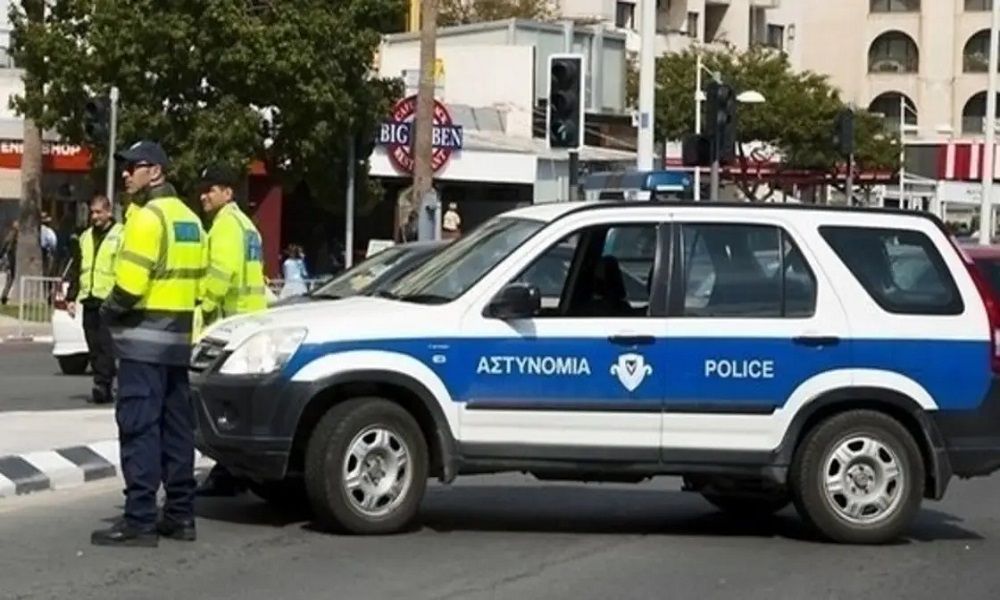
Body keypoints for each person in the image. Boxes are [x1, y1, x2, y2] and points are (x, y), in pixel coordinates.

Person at [90, 141, 206, 547]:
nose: (125, 174)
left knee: (139, 428)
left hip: (142, 346)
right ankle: (180, 516)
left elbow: (130, 286)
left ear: (154, 171)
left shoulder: (145, 218)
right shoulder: (190, 220)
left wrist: (106, 313)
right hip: (178, 343)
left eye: (132, 167)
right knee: (177, 430)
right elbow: (199, 282)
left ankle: (139, 520)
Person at [193, 164, 267, 497]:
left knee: (221, 405)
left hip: (231, 325)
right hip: (253, 321)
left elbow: (220, 276)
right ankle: (234, 473)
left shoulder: (224, 227)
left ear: (228, 192)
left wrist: (203, 304)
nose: (204, 196)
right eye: (203, 189)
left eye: (211, 189)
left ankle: (228, 474)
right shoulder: (247, 226)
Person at [65, 195, 123, 404]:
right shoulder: (85, 237)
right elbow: (77, 268)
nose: (94, 216)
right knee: (94, 346)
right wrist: (71, 297)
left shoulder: (121, 235)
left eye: (99, 212)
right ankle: (102, 382)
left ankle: (103, 385)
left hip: (109, 300)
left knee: (106, 346)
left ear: (109, 212)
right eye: (92, 212)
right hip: (89, 299)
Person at [0, 222, 17, 305]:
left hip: (9, 261)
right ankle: (4, 296)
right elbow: (8, 251)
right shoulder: (13, 238)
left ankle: (5, 295)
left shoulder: (9, 237)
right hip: (10, 261)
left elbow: (3, 249)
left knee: (9, 279)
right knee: (10, 279)